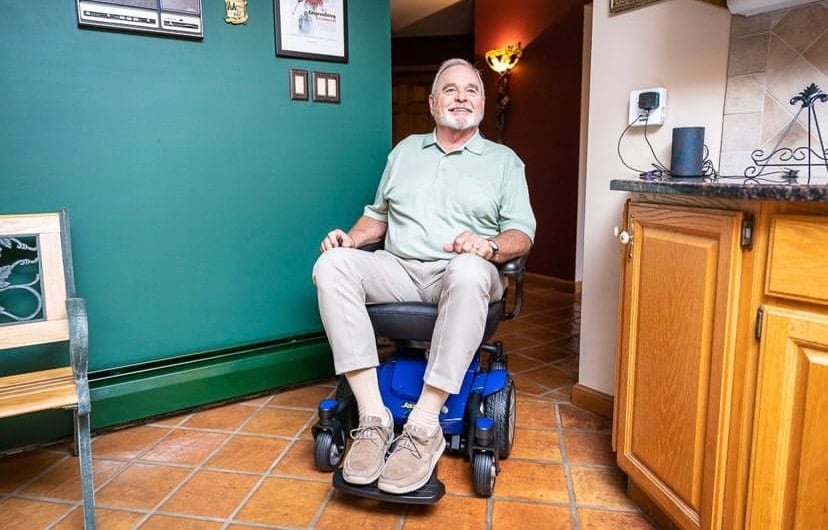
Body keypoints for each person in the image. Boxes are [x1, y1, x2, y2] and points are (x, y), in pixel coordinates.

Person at [312, 58, 536, 495]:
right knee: (332, 264)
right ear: (433, 103)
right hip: (399, 268)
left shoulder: (504, 162)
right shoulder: (405, 152)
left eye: (471, 90)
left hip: (464, 272)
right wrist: (351, 240)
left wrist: (488, 247)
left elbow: (521, 234)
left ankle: (424, 426)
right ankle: (373, 418)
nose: (461, 97)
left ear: (482, 103)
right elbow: (377, 217)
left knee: (468, 269)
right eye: (450, 89)